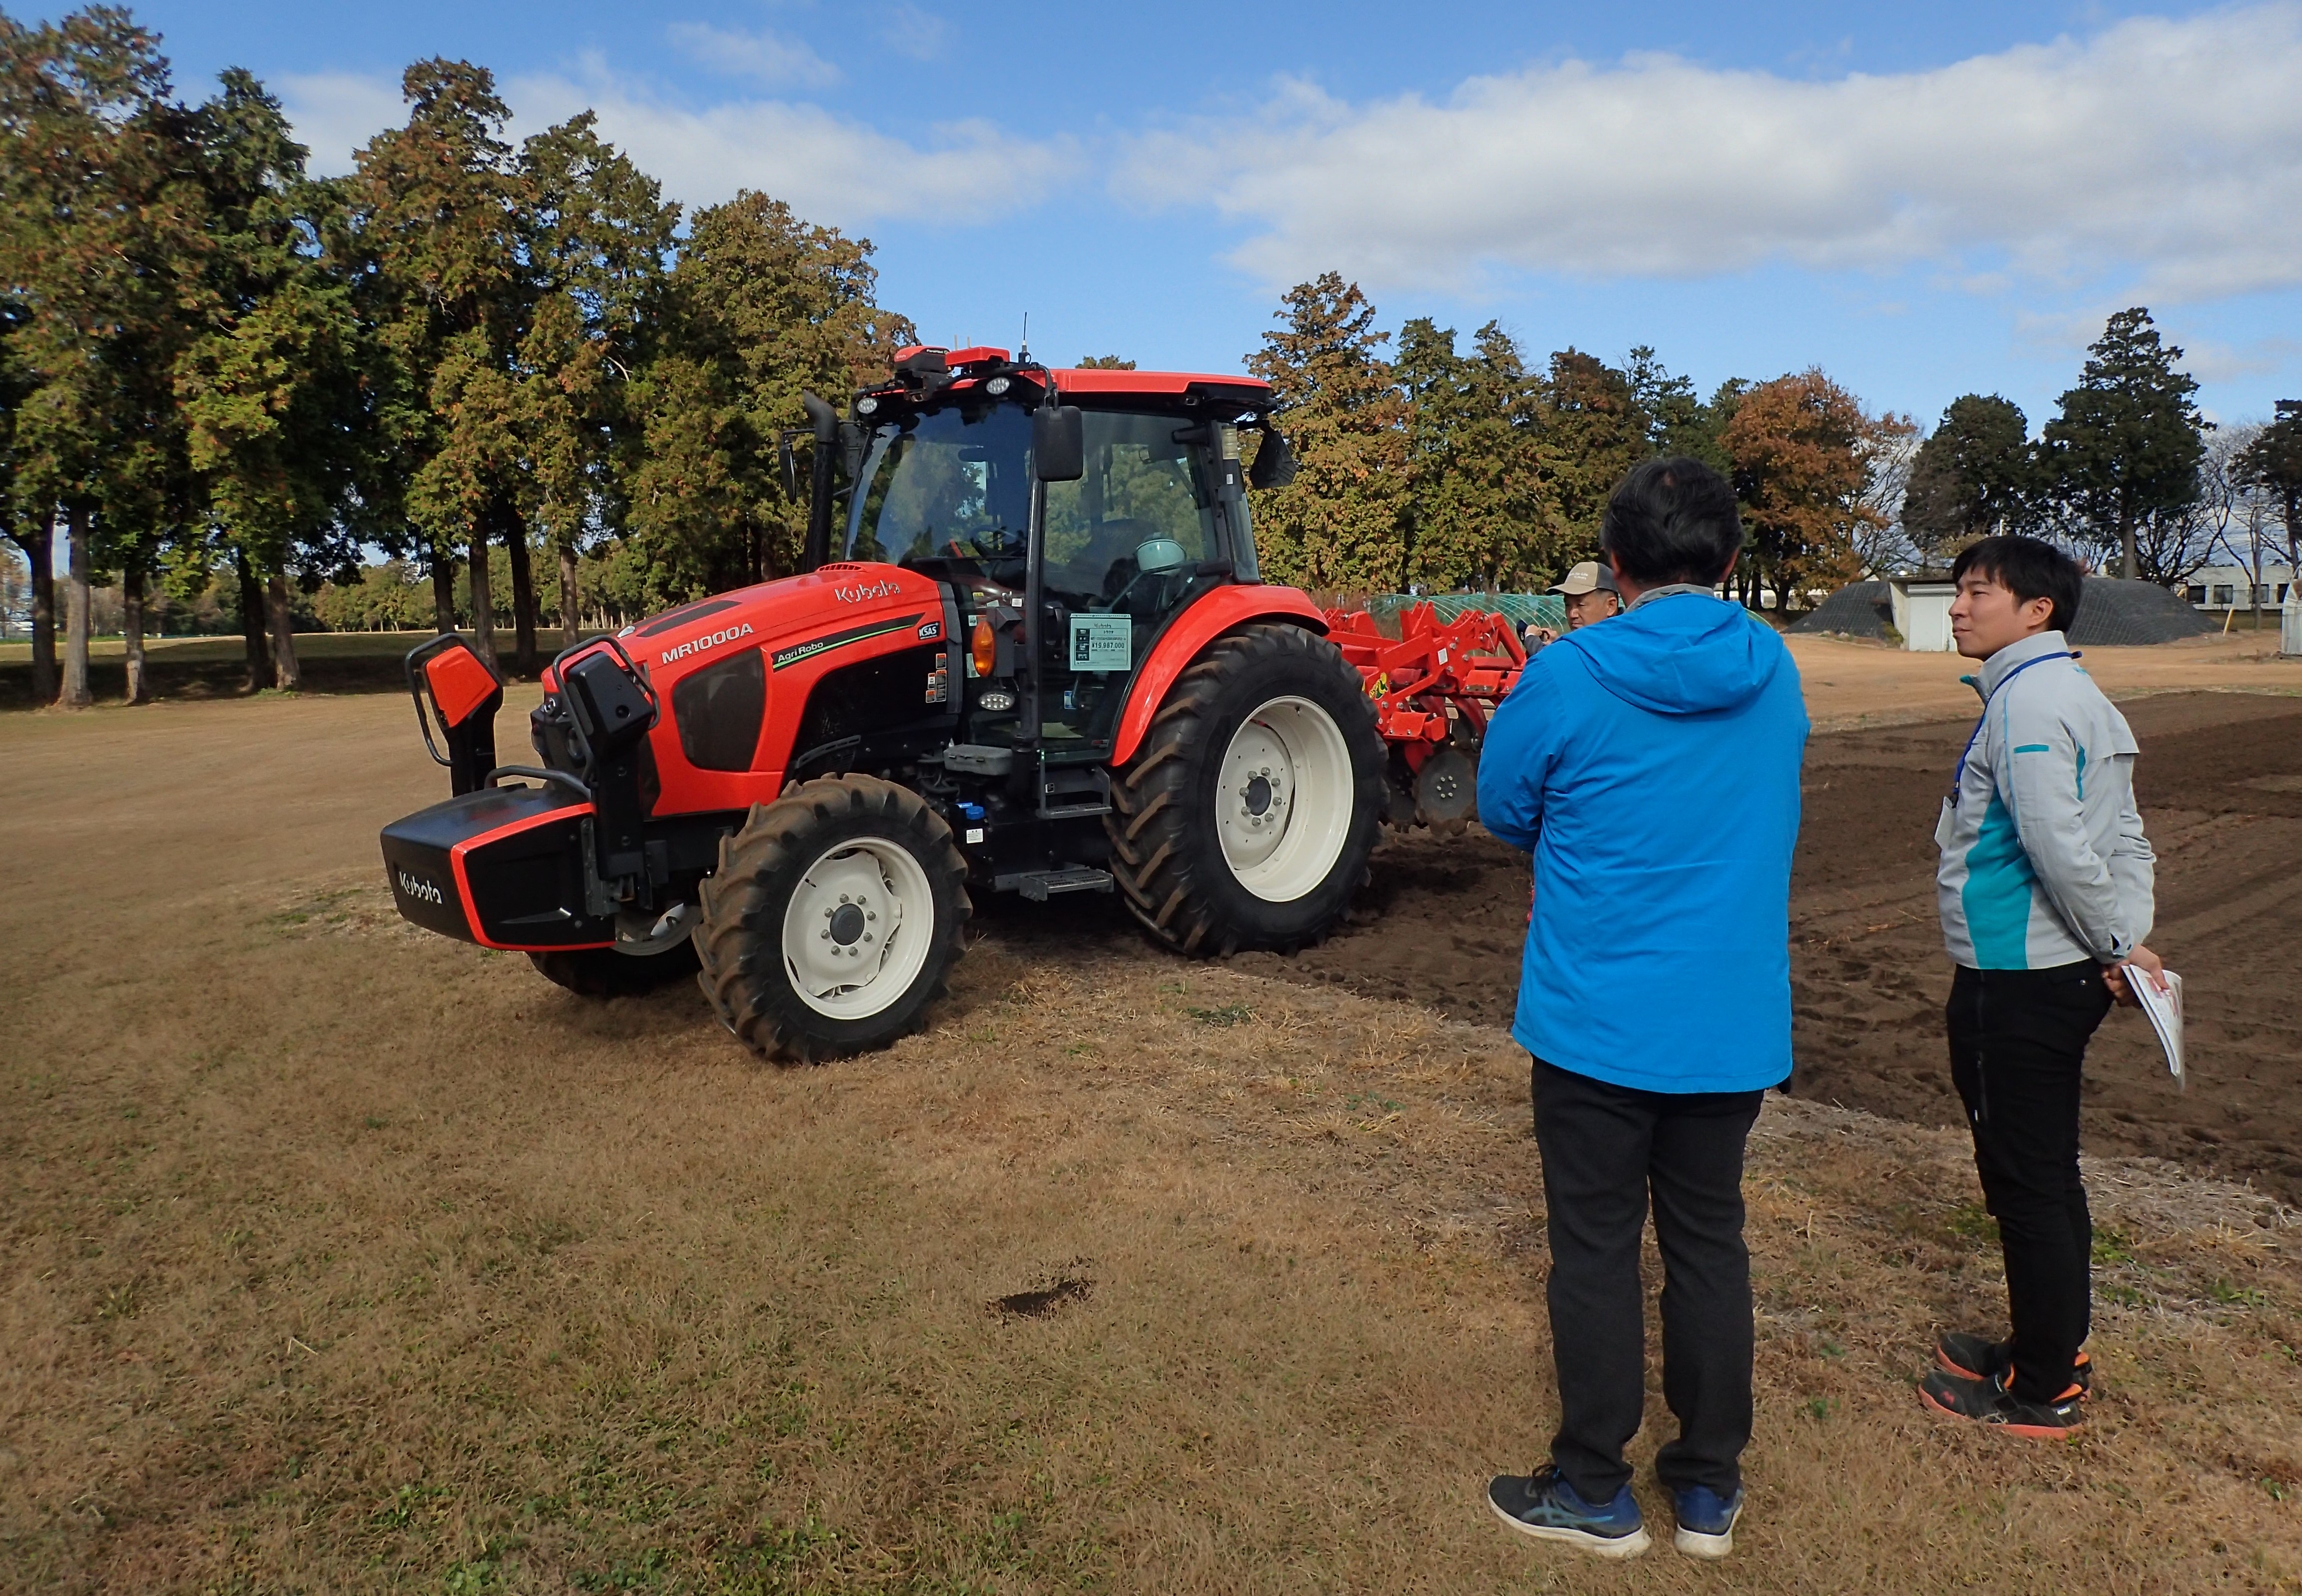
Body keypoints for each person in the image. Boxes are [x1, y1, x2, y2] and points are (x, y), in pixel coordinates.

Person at [1476, 457, 1807, 1561]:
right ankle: (1709, 1487)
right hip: (1729, 1019)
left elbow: (1504, 806)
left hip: (1597, 1016)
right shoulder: (1773, 664)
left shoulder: (1567, 674)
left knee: (1597, 1248)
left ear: (1613, 563)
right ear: (1725, 560)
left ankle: (1594, 1488)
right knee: (1712, 1243)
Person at [1920, 535, 2160, 1435]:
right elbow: (2126, 836)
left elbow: (2058, 844)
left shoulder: (2026, 704)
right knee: (2047, 1175)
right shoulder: (2075, 694)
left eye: (1975, 593)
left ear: (2036, 611)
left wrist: (2114, 943)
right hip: (2055, 973)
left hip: (2015, 979)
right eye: (1956, 592)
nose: (1955, 607)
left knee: (2024, 1182)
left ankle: (2040, 1386)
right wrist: (2121, 940)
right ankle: (2050, 1344)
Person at [1523, 560, 1622, 650]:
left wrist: (1530, 638)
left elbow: (1560, 666)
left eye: (1581, 605)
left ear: (1611, 606)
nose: (1572, 614)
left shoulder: (1617, 648)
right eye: (1567, 605)